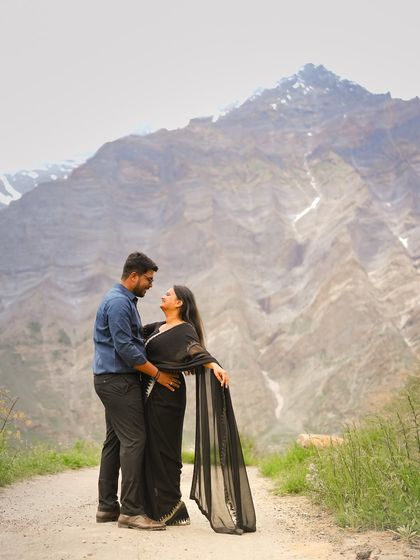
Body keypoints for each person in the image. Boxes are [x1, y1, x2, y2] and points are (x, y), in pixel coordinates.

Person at [141, 285, 256, 535]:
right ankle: (158, 504)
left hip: (168, 393)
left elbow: (196, 349)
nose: (163, 295)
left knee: (166, 448)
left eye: (168, 294)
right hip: (151, 391)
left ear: (180, 303)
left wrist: (214, 366)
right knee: (150, 446)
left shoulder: (185, 330)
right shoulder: (157, 327)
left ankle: (171, 506)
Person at [93, 252, 181, 531]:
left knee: (115, 442)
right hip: (118, 382)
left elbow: (133, 337)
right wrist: (159, 374)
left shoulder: (122, 300)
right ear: (134, 276)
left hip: (110, 380)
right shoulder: (119, 303)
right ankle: (131, 511)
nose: (151, 285)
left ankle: (107, 507)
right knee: (135, 440)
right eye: (149, 279)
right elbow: (126, 349)